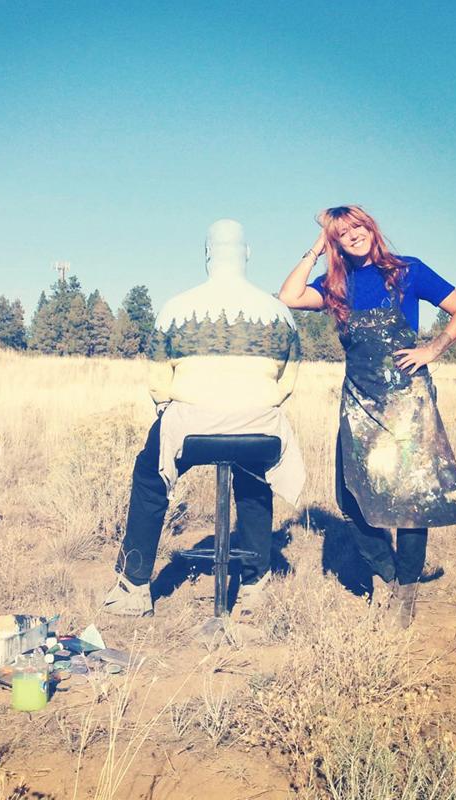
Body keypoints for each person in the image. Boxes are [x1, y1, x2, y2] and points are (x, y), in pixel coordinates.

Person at [279, 205, 456, 627]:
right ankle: (389, 575)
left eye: (357, 226)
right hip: (359, 402)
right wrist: (316, 248)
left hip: (407, 402)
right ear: (334, 241)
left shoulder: (408, 271)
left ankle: (406, 591)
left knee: (412, 500)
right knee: (349, 499)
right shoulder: (336, 286)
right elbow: (289, 297)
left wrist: (432, 349)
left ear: (370, 227)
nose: (352, 235)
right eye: (341, 232)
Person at [103, 219, 304, 617]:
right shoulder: (279, 312)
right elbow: (288, 378)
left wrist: (171, 407)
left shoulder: (176, 307)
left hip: (191, 427)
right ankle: (255, 584)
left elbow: (158, 379)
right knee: (254, 480)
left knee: (149, 479)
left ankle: (134, 587)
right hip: (260, 429)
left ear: (207, 254)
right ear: (248, 254)